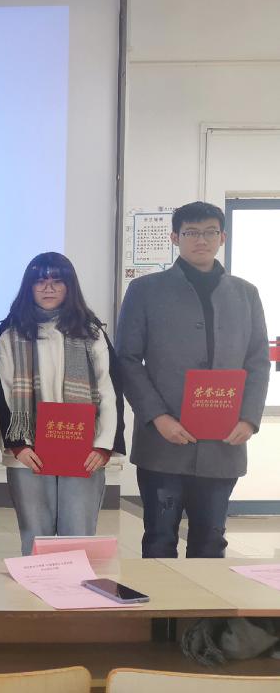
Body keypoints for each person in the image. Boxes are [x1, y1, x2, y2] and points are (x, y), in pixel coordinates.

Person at [117, 201, 270, 559]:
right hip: (163, 441)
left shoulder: (246, 294)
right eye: (191, 232)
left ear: (222, 237)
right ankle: (159, 601)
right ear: (175, 237)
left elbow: (258, 361)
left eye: (209, 232)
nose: (201, 240)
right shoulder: (145, 290)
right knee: (159, 540)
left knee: (211, 542)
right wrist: (158, 417)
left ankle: (206, 602)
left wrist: (249, 419)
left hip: (224, 441)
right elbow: (127, 359)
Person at [0, 252, 127, 555]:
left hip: (82, 450)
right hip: (29, 453)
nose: (49, 288)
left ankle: (74, 587)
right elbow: (3, 393)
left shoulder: (91, 332)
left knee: (77, 535)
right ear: (29, 287)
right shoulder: (10, 334)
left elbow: (109, 390)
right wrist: (18, 445)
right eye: (40, 281)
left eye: (57, 281)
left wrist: (103, 446)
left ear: (70, 286)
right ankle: (37, 585)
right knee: (35, 536)